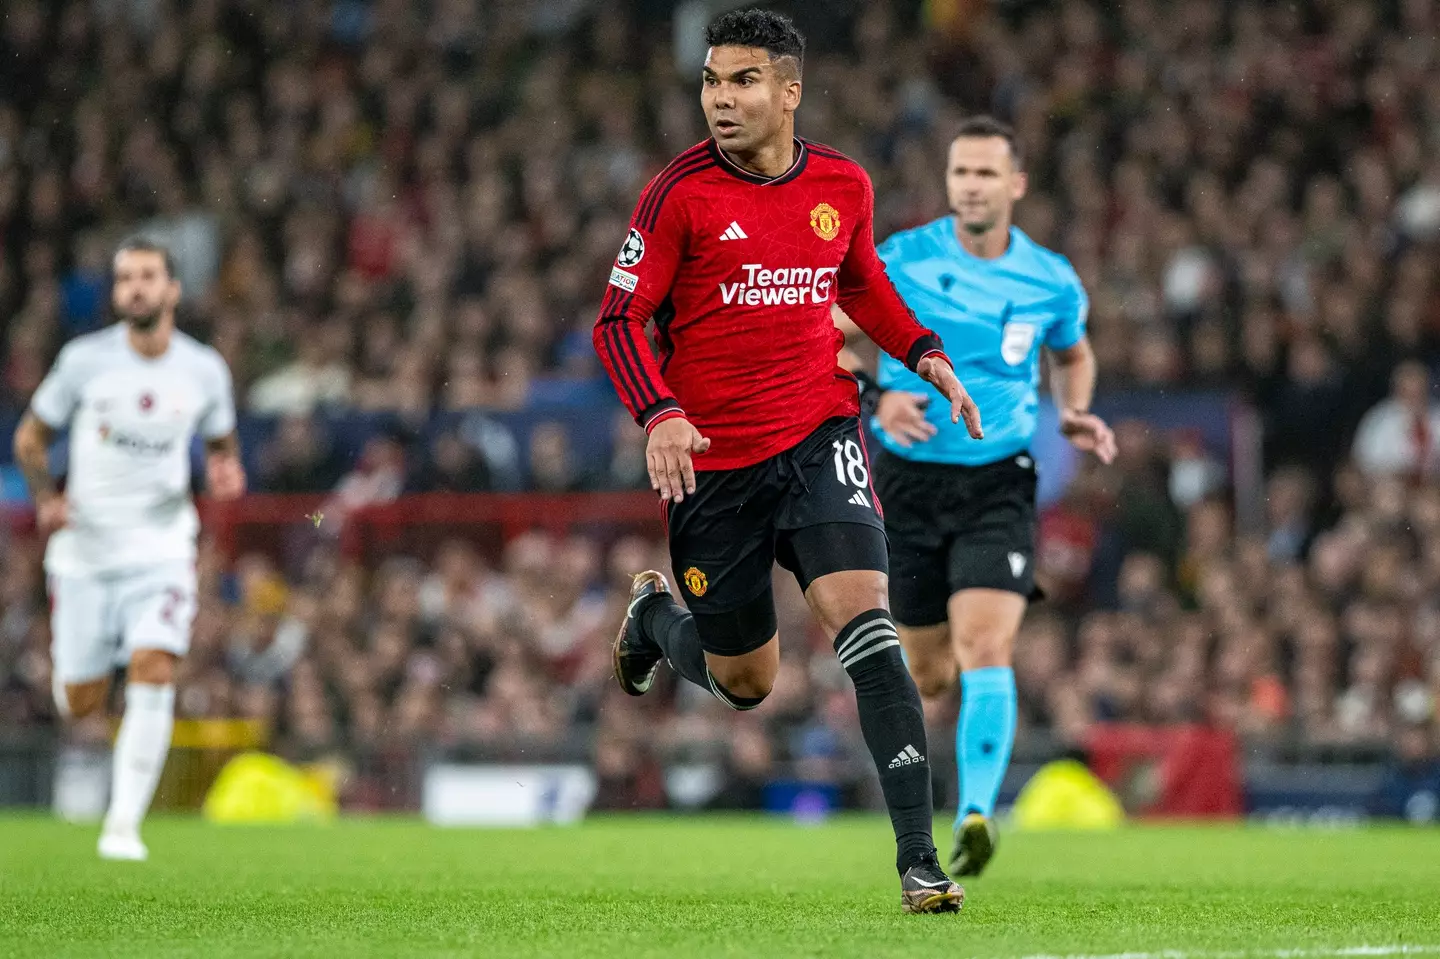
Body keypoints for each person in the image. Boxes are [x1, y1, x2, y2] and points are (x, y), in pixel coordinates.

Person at [592, 9, 981, 914]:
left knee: (868, 623)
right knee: (746, 682)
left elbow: (859, 281)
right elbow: (618, 322)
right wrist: (659, 415)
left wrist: (923, 351)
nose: (721, 100)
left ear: (790, 92)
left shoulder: (842, 183)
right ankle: (655, 619)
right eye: (711, 82)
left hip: (818, 433)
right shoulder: (677, 194)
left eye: (743, 82)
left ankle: (919, 863)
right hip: (713, 465)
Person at [859, 116, 1116, 876]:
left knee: (987, 645)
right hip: (908, 481)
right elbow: (832, 337)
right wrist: (877, 398)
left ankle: (974, 811)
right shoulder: (899, 259)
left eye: (984, 173)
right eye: (959, 172)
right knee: (930, 670)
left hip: (998, 481)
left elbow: (1073, 351)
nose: (970, 185)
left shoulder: (1051, 277)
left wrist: (1071, 409)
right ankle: (963, 792)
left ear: (1016, 183)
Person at [12, 237, 245, 861]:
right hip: (86, 553)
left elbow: (222, 448)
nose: (135, 289)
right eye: (124, 279)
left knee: (156, 666)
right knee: (80, 701)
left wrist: (226, 471)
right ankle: (89, 674)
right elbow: (30, 439)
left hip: (162, 547)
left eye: (147, 277)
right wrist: (45, 498)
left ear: (172, 289)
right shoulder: (84, 362)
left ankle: (122, 826)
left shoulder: (203, 370)